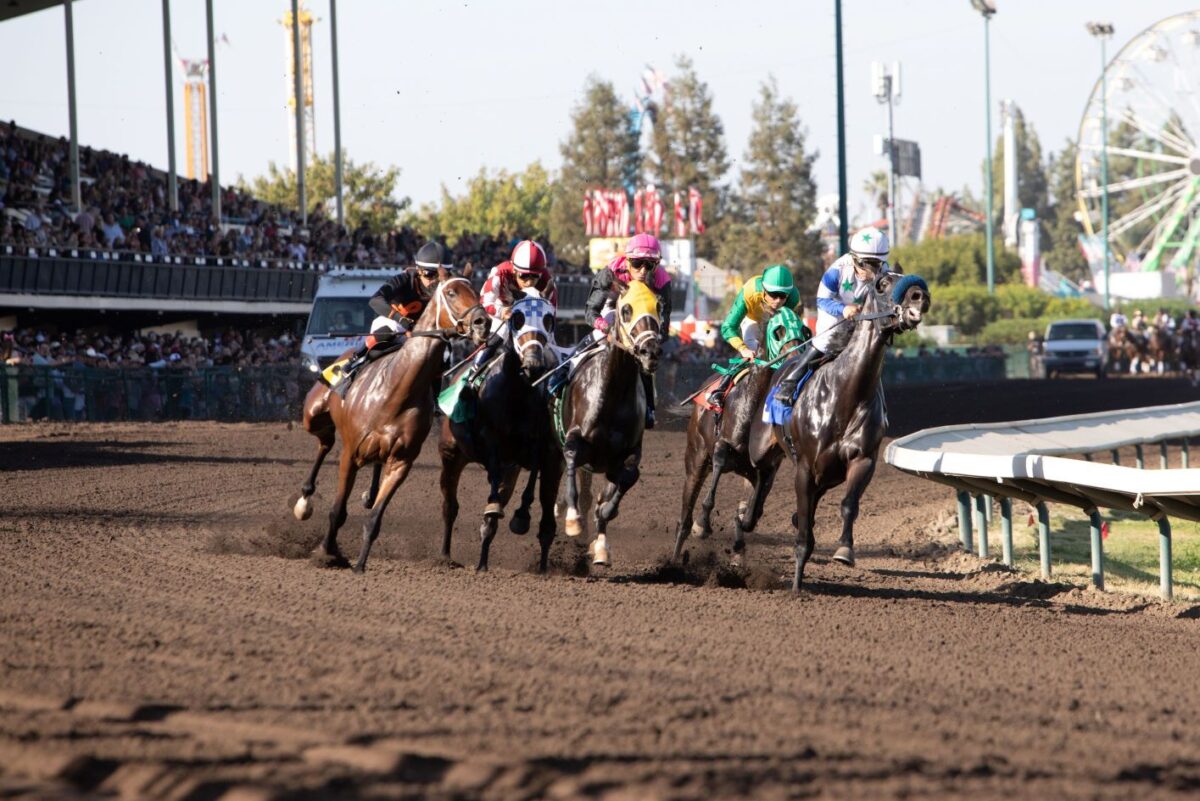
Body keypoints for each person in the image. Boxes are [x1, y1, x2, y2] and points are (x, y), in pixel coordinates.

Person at [774, 226, 891, 404]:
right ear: (856, 260)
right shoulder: (836, 271)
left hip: (861, 318)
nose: (874, 273)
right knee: (823, 342)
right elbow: (821, 300)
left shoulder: (883, 270)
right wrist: (843, 309)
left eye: (877, 265)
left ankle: (879, 402)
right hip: (834, 312)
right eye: (869, 266)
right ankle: (789, 383)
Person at [326, 241, 447, 393]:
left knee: (443, 353)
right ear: (419, 270)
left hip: (419, 331)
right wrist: (402, 320)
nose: (435, 281)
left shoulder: (445, 288)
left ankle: (436, 399)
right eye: (430, 274)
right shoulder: (403, 280)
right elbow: (375, 300)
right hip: (394, 323)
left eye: (440, 276)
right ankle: (355, 362)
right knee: (387, 329)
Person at [581, 233, 672, 428]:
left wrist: (652, 340)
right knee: (597, 336)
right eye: (638, 263)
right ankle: (567, 373)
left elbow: (664, 324)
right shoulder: (610, 272)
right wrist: (606, 328)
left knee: (646, 353)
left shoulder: (662, 281)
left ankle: (648, 407)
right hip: (614, 308)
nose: (642, 270)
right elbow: (590, 312)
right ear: (627, 260)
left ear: (657, 265)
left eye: (650, 265)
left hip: (642, 318)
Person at [705, 264, 810, 410]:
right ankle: (721, 390)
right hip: (754, 320)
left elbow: (795, 328)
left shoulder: (793, 298)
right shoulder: (750, 291)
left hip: (777, 322)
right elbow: (728, 327)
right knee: (752, 349)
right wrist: (743, 349)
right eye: (773, 295)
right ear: (764, 290)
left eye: (782, 296)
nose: (778, 301)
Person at [464, 240, 558, 381]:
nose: (529, 282)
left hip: (530, 316)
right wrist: (501, 312)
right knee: (501, 333)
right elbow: (484, 301)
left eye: (534, 276)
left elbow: (552, 312)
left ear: (541, 273)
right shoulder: (499, 273)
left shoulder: (547, 280)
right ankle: (473, 374)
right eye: (524, 276)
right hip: (501, 309)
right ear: (514, 270)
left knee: (550, 345)